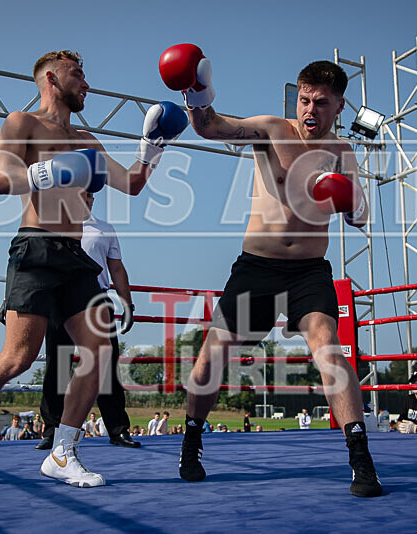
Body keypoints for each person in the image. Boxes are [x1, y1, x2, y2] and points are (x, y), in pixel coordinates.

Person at [0, 49, 186, 488]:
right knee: (18, 358)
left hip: (75, 253)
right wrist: (54, 171)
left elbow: (133, 184)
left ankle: (63, 451)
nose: (87, 84)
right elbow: (2, 179)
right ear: (50, 78)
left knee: (99, 350)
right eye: (77, 74)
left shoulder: (88, 140)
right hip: (36, 248)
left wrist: (152, 145)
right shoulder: (21, 123)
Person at [162, 47, 380, 497]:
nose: (310, 110)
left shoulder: (342, 151)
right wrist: (196, 90)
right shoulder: (270, 130)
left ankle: (360, 457)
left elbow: (360, 215)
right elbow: (209, 127)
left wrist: (347, 199)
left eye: (321, 102)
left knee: (328, 347)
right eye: (304, 99)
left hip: (308, 272)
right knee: (212, 355)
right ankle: (191, 439)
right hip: (256, 268)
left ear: (339, 104)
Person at [35, 191, 139, 450]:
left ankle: (117, 429)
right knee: (58, 366)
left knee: (105, 365)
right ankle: (52, 429)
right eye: (83, 193)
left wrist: (127, 302)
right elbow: (36, 263)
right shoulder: (53, 224)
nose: (89, 198)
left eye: (92, 194)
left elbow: (116, 267)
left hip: (97, 299)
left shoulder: (104, 229)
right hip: (59, 298)